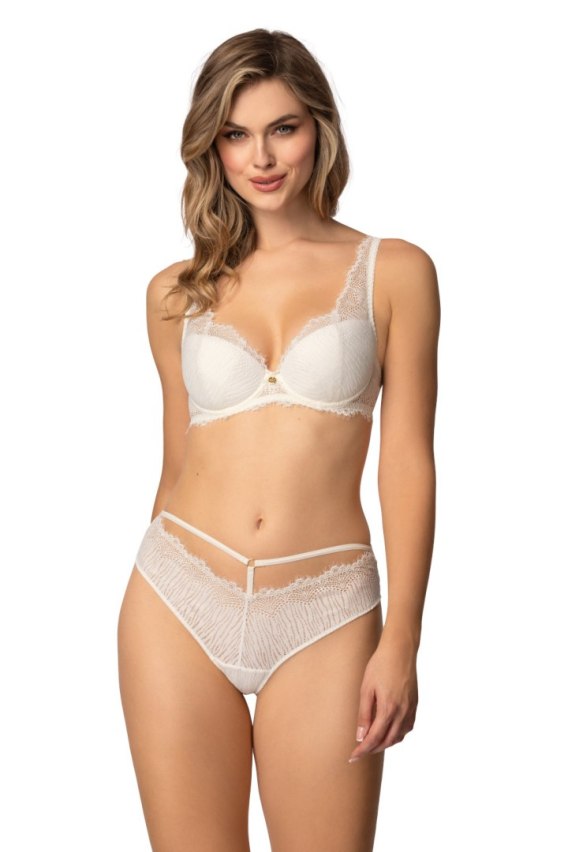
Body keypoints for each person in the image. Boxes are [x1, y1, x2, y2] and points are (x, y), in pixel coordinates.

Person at [117, 27, 439, 852]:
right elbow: (177, 463)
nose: (259, 157)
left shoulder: (395, 272)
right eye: (235, 134)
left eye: (282, 128)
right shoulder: (174, 294)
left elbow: (407, 461)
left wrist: (402, 638)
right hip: (177, 597)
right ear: (212, 147)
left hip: (325, 608)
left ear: (319, 130)